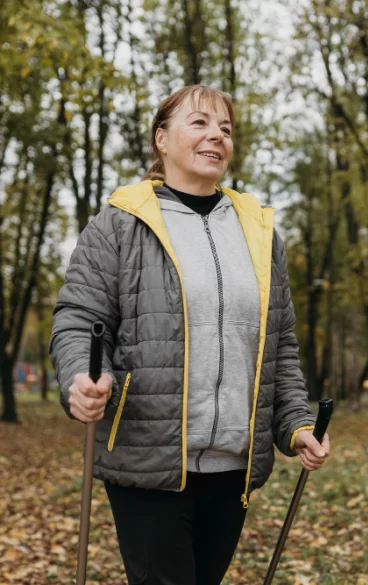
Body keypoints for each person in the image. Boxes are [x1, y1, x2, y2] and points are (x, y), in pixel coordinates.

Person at [49, 85, 330, 585]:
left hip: (231, 468)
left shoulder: (259, 233)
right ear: (162, 138)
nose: (216, 136)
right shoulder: (119, 224)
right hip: (147, 458)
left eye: (226, 129)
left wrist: (296, 425)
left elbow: (279, 345)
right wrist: (82, 377)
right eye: (199, 123)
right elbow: (77, 317)